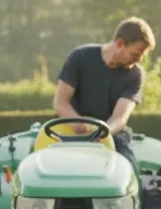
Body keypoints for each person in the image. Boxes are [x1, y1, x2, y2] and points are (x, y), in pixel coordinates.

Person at [53, 17, 155, 174]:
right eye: (135, 54)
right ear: (120, 44)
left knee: (130, 172)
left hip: (111, 134)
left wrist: (102, 133)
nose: (138, 60)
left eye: (142, 56)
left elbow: (119, 118)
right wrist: (80, 127)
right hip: (70, 129)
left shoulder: (135, 75)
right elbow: (61, 103)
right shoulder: (80, 57)